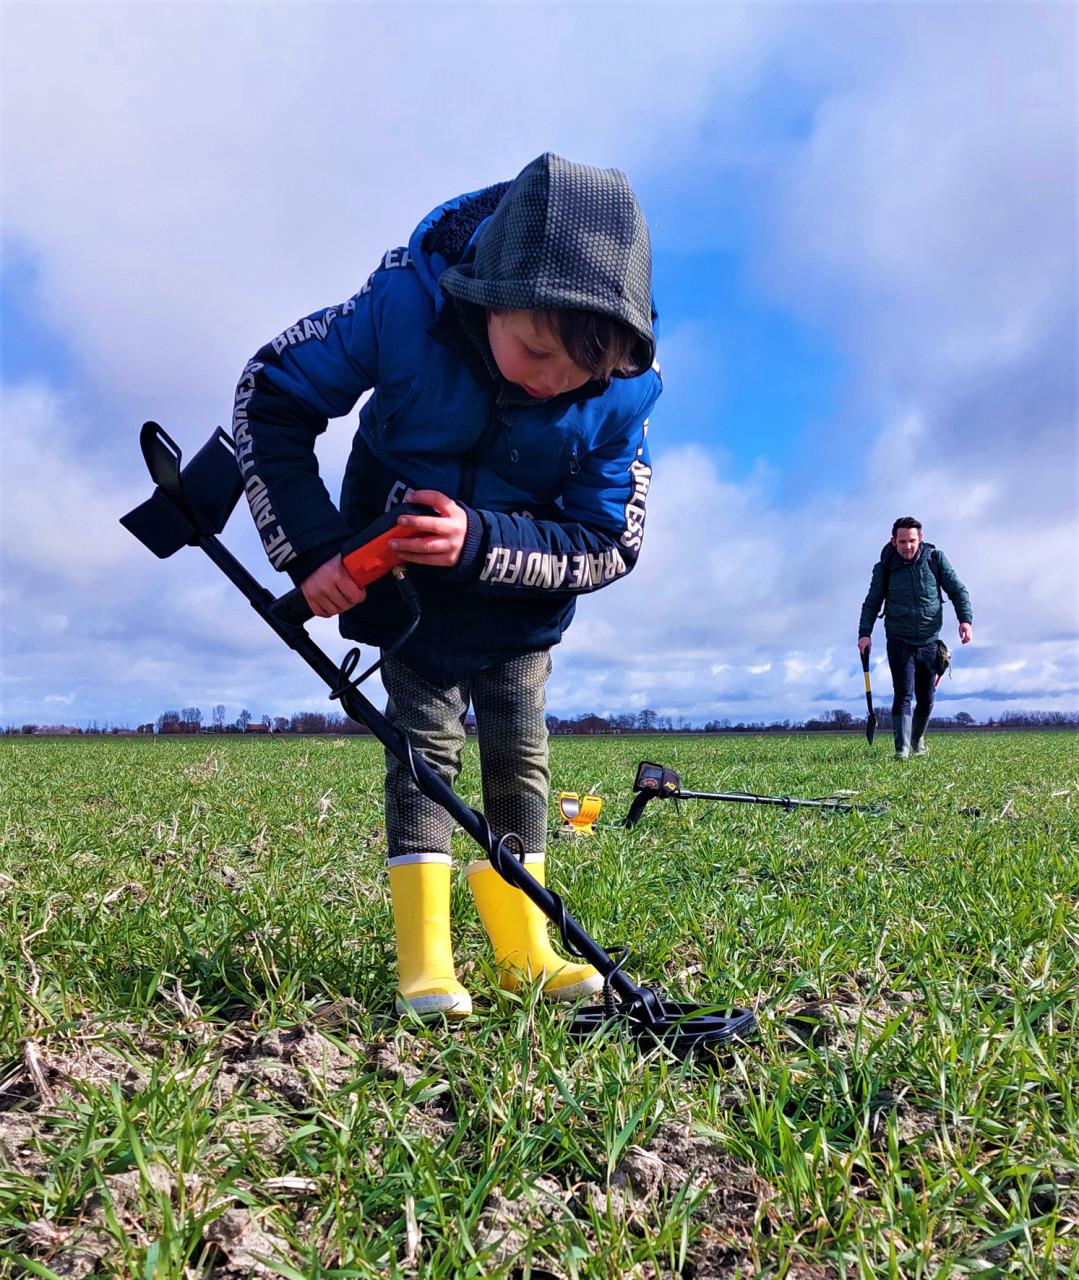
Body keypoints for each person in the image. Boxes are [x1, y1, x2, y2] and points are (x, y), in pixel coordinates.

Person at [233, 154, 661, 1019]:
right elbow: (269, 393)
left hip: (517, 602)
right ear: (484, 292)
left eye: (580, 374)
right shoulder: (403, 306)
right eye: (534, 349)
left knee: (520, 764)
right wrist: (313, 547)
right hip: (404, 591)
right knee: (422, 760)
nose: (550, 381)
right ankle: (426, 964)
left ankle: (523, 952)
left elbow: (610, 539)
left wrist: (481, 541)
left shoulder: (623, 395)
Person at [858, 517, 973, 759]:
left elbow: (957, 590)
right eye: (902, 542)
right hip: (899, 640)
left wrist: (965, 620)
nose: (907, 546)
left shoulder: (935, 559)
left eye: (912, 540)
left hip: (930, 640)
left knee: (926, 697)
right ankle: (902, 750)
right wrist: (864, 634)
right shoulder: (885, 567)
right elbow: (871, 603)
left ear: (920, 538)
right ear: (893, 541)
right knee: (903, 694)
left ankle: (917, 740)